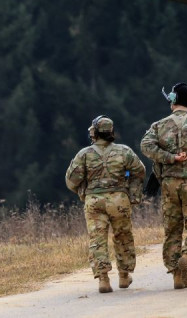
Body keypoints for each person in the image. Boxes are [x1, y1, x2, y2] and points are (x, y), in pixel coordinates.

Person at [140, 82, 187, 290]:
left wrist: (170, 157)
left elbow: (146, 145)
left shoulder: (158, 125)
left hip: (169, 184)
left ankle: (176, 274)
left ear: (172, 102)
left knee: (172, 230)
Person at [65, 115, 146, 293]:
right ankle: (124, 276)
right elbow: (140, 171)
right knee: (123, 236)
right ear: (111, 132)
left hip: (94, 201)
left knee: (97, 239)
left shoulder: (84, 154)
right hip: (119, 200)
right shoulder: (124, 151)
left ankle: (103, 279)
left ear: (94, 133)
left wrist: (83, 191)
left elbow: (71, 181)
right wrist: (132, 194)